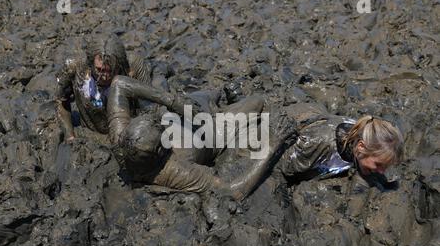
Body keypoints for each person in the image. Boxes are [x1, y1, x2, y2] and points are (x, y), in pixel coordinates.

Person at [107, 75, 297, 201]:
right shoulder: (173, 171)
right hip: (213, 130)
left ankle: (221, 95)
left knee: (211, 93)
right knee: (257, 102)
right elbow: (232, 191)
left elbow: (119, 84)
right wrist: (273, 146)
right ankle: (229, 103)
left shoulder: (121, 137)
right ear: (160, 152)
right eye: (164, 137)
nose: (167, 135)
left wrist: (170, 100)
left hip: (188, 108)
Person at [276, 102, 404, 188]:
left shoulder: (363, 133)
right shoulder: (319, 144)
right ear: (360, 146)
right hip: (283, 128)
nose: (381, 172)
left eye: (385, 166)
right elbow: (282, 167)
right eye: (378, 165)